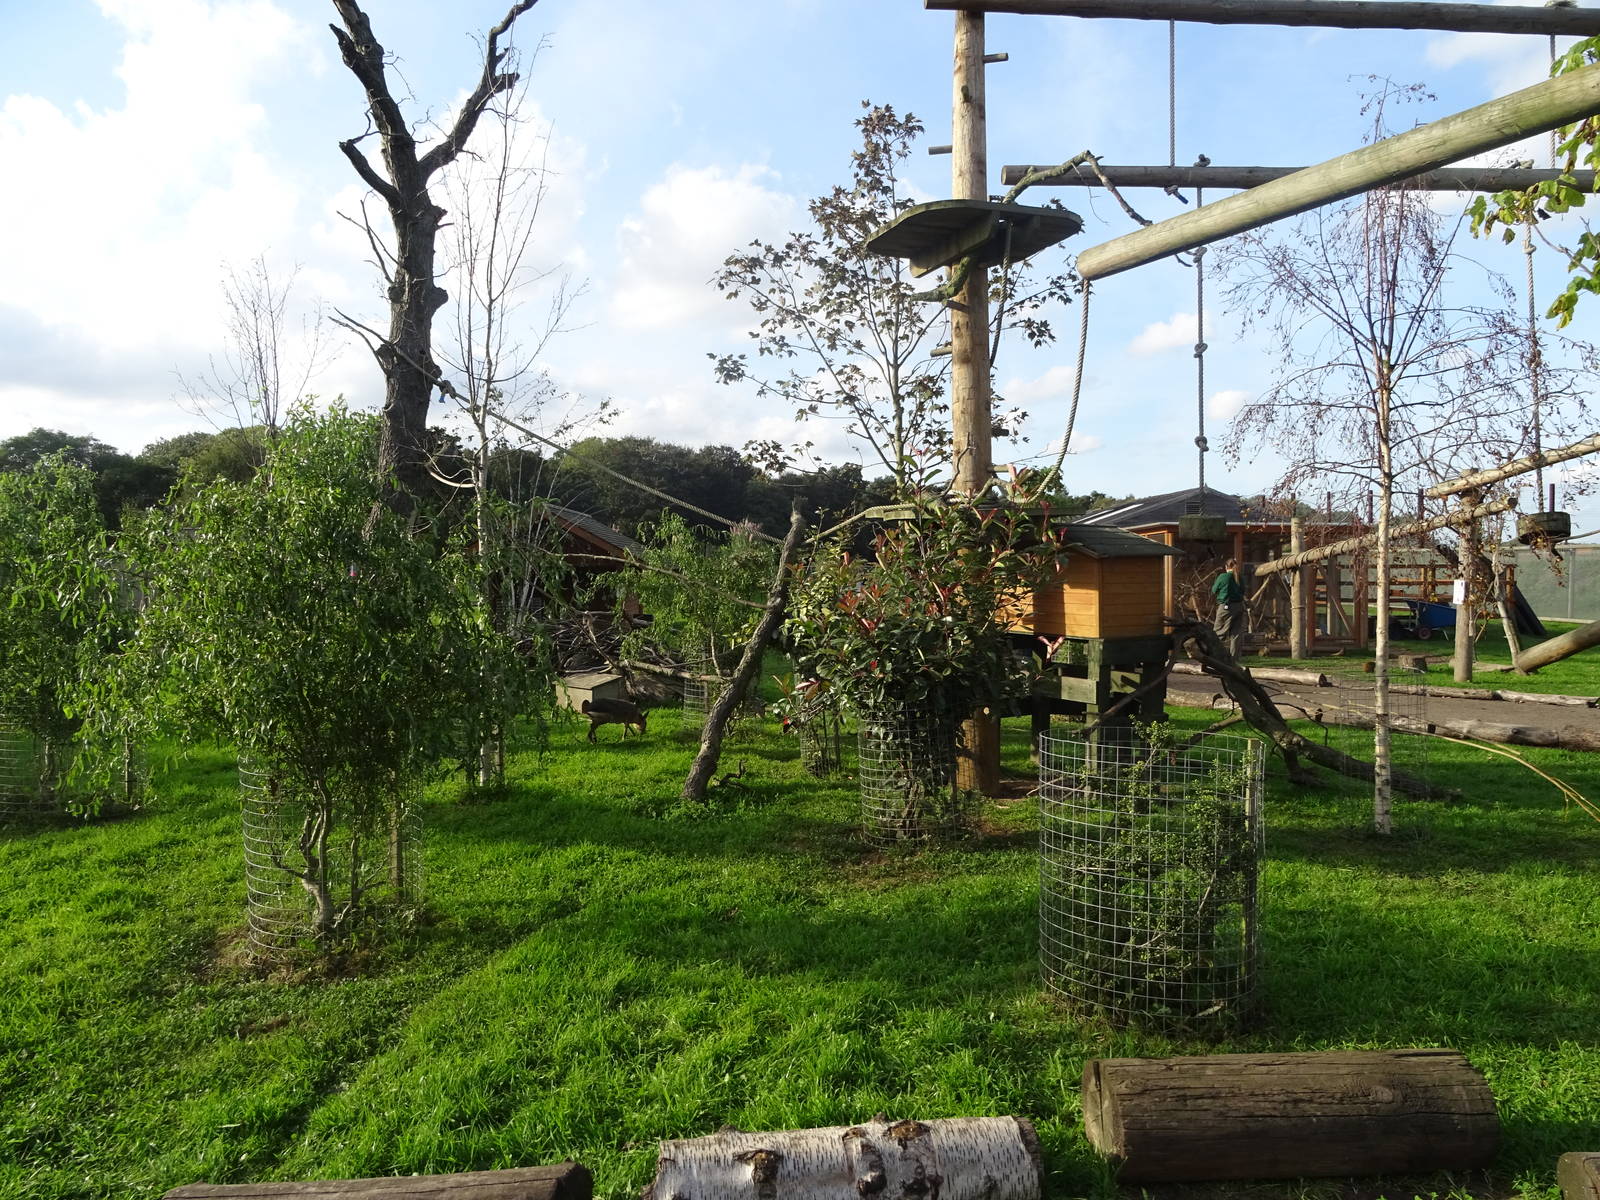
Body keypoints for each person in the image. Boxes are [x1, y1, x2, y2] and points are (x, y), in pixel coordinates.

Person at [1211, 557, 1246, 657]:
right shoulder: (1240, 577)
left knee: (1218, 632)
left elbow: (1214, 590)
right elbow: (1243, 591)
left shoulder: (1223, 576)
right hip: (1239, 607)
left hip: (1226, 607)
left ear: (1226, 567)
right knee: (1236, 634)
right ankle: (1234, 659)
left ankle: (1215, 657)